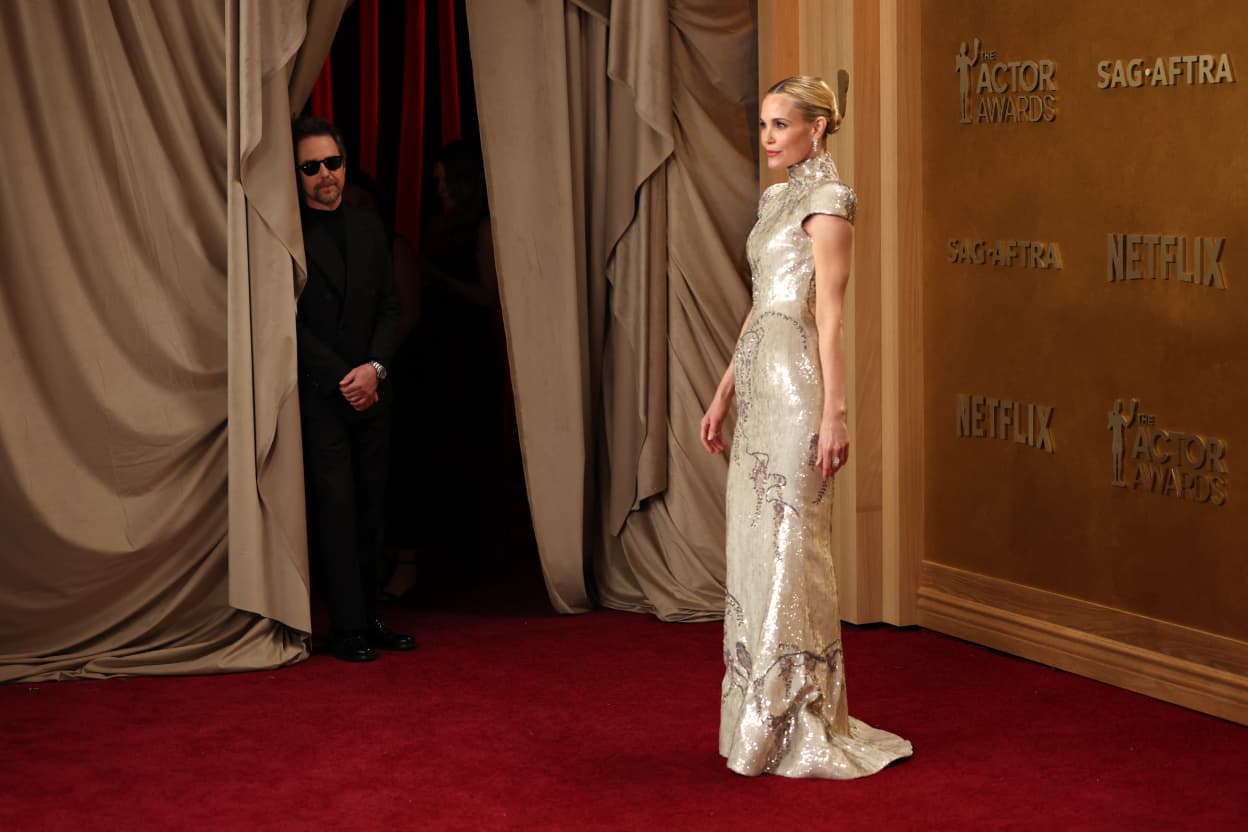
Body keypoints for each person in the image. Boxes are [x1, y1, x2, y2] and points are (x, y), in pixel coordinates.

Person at [699, 76, 912, 778]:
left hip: (797, 392)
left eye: (780, 124)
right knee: (756, 550)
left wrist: (834, 411)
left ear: (816, 129)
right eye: (763, 123)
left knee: (793, 548)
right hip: (758, 387)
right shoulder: (772, 199)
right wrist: (724, 392)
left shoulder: (829, 202)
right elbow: (760, 306)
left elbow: (829, 315)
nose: (767, 137)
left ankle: (799, 719)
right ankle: (757, 718)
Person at [292, 115, 416, 662]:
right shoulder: (286, 235)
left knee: (371, 510)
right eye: (312, 167)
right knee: (336, 511)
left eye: (333, 163)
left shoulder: (369, 227)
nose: (325, 175)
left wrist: (374, 370)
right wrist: (343, 378)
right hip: (323, 398)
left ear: (345, 164)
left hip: (372, 392)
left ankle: (371, 619)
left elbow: (391, 306)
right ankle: (345, 629)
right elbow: (284, 323)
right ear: (296, 175)